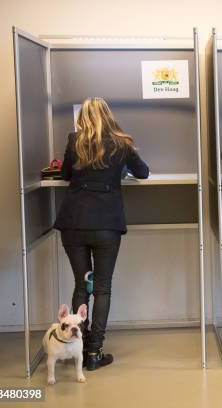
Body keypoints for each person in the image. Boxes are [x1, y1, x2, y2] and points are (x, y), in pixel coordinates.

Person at [54, 97, 149, 370]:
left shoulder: (75, 141)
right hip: (106, 225)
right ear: (109, 115)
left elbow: (66, 174)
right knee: (103, 287)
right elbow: (142, 172)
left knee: (83, 284)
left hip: (74, 224)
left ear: (82, 117)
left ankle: (76, 352)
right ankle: (94, 353)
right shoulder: (122, 142)